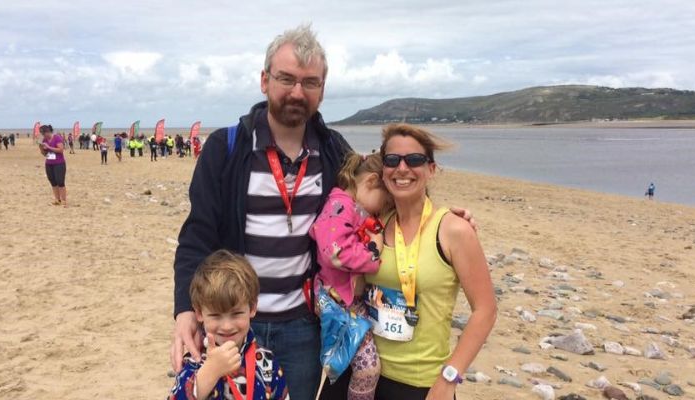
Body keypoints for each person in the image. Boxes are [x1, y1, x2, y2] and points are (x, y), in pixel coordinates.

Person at [172, 25, 477, 400]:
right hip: (232, 321)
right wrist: (185, 309)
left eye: (310, 82)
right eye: (286, 79)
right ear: (264, 80)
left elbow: (378, 193)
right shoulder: (226, 148)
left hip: (305, 326)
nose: (297, 91)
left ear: (322, 88)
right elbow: (196, 236)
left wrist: (438, 217)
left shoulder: (335, 152)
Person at [324, 124, 497, 400]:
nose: (402, 168)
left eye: (414, 160)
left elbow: (485, 310)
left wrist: (449, 377)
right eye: (392, 160)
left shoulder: (452, 230)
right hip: (363, 374)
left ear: (431, 169)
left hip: (421, 385)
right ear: (383, 171)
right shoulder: (375, 225)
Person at [309, 152, 388, 399]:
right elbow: (336, 251)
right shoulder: (340, 206)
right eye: (384, 204)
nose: (381, 211)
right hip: (336, 301)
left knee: (361, 364)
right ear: (371, 181)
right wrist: (373, 253)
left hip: (345, 300)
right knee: (368, 368)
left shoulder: (350, 207)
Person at [167, 249, 289, 400]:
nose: (226, 326)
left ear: (252, 308)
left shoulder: (267, 362)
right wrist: (210, 372)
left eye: (236, 314)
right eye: (215, 316)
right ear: (199, 313)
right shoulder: (193, 364)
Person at [38, 125, 68, 207]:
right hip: (49, 163)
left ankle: (64, 200)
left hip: (59, 163)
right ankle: (57, 200)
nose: (43, 136)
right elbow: (45, 154)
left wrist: (48, 147)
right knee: (53, 182)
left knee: (60, 182)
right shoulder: (45, 140)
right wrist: (41, 148)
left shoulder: (57, 138)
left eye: (43, 133)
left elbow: (61, 150)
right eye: (42, 134)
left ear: (48, 132)